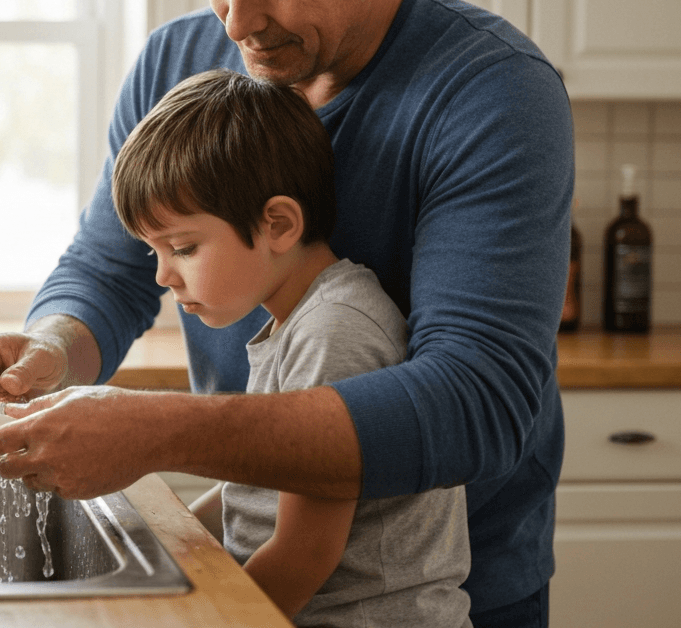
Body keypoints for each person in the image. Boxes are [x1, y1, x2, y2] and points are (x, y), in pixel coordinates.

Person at [0, 0, 572, 625]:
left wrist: (153, 432)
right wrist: (49, 349)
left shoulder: (493, 94)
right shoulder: (175, 65)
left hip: (449, 598)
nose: (235, 19)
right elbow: (109, 271)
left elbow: (475, 402)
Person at [112, 68, 471, 625]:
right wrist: (158, 536)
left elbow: (304, 554)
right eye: (154, 251)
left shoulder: (335, 331)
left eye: (182, 247)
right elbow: (251, 496)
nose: (164, 276)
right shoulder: (295, 323)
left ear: (278, 224)